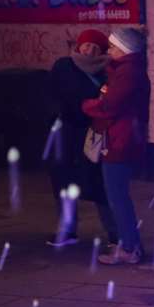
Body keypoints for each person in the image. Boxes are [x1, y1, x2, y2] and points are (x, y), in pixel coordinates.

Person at [83, 26, 150, 265]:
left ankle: (130, 248)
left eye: (113, 46)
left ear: (124, 49)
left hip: (119, 140)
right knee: (117, 195)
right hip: (123, 137)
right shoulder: (125, 71)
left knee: (117, 196)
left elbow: (110, 105)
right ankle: (130, 245)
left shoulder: (127, 73)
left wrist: (87, 105)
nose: (109, 50)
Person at [45, 29, 110, 247]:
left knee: (98, 182)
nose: (89, 50)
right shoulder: (64, 66)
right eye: (86, 45)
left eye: (95, 47)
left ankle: (115, 233)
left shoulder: (107, 69)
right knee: (63, 179)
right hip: (66, 131)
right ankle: (67, 229)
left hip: (91, 132)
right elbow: (51, 94)